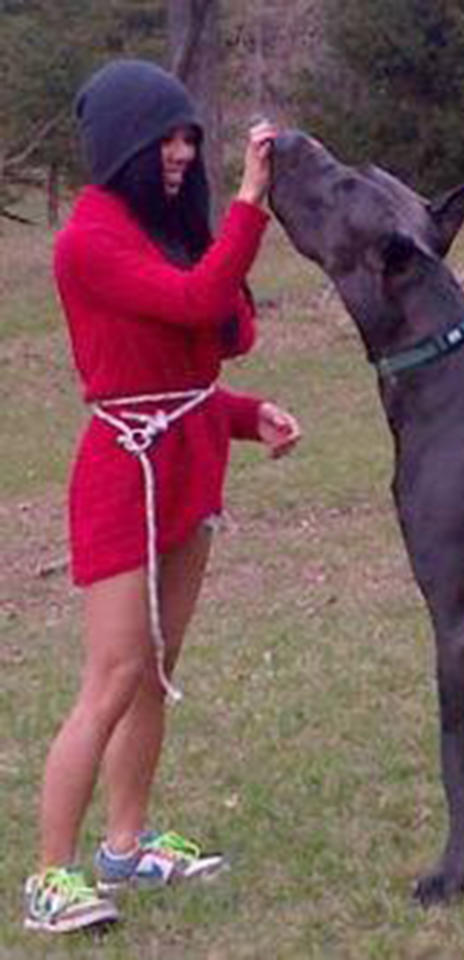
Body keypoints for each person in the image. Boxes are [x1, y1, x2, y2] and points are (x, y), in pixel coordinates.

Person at [22, 59, 302, 934]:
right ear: (121, 144)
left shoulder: (159, 227)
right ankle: (48, 878)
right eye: (165, 138)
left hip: (185, 459)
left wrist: (247, 415)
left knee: (154, 675)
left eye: (189, 138)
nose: (180, 153)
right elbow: (192, 305)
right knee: (111, 677)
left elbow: (200, 352)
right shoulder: (91, 236)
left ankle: (126, 845)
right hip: (122, 476)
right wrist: (254, 201)